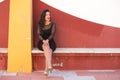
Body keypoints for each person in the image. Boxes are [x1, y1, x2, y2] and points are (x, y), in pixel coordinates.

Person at [37, 9, 56, 76]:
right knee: (46, 47)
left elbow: (52, 34)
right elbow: (39, 34)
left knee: (48, 51)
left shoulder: (53, 24)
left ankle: (46, 70)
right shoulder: (40, 24)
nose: (49, 16)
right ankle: (49, 65)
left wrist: (47, 40)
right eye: (47, 14)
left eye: (49, 14)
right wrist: (43, 41)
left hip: (51, 42)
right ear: (44, 16)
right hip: (41, 42)